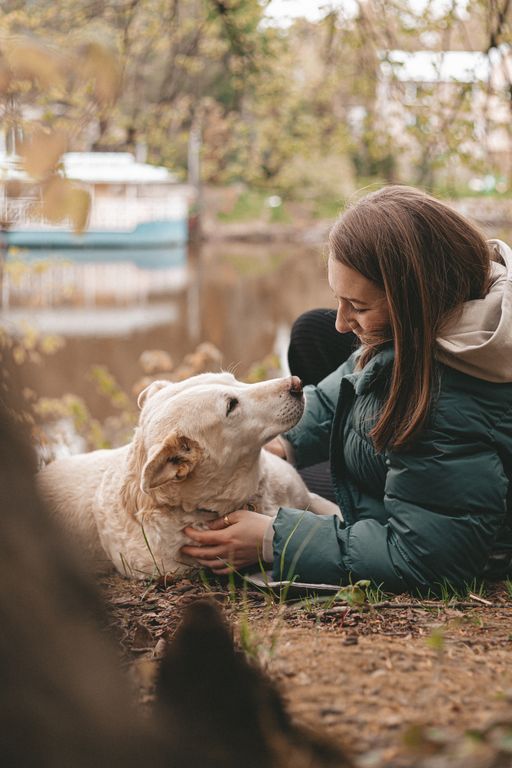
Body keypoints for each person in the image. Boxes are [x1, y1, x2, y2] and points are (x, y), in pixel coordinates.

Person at [181, 185, 512, 594]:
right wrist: (283, 442)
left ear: (415, 300)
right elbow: (347, 385)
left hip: (449, 533)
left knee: (286, 495)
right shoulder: (430, 325)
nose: (342, 322)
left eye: (358, 306)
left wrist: (270, 540)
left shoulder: (446, 401)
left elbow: (425, 560)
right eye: (340, 299)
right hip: (426, 482)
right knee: (312, 332)